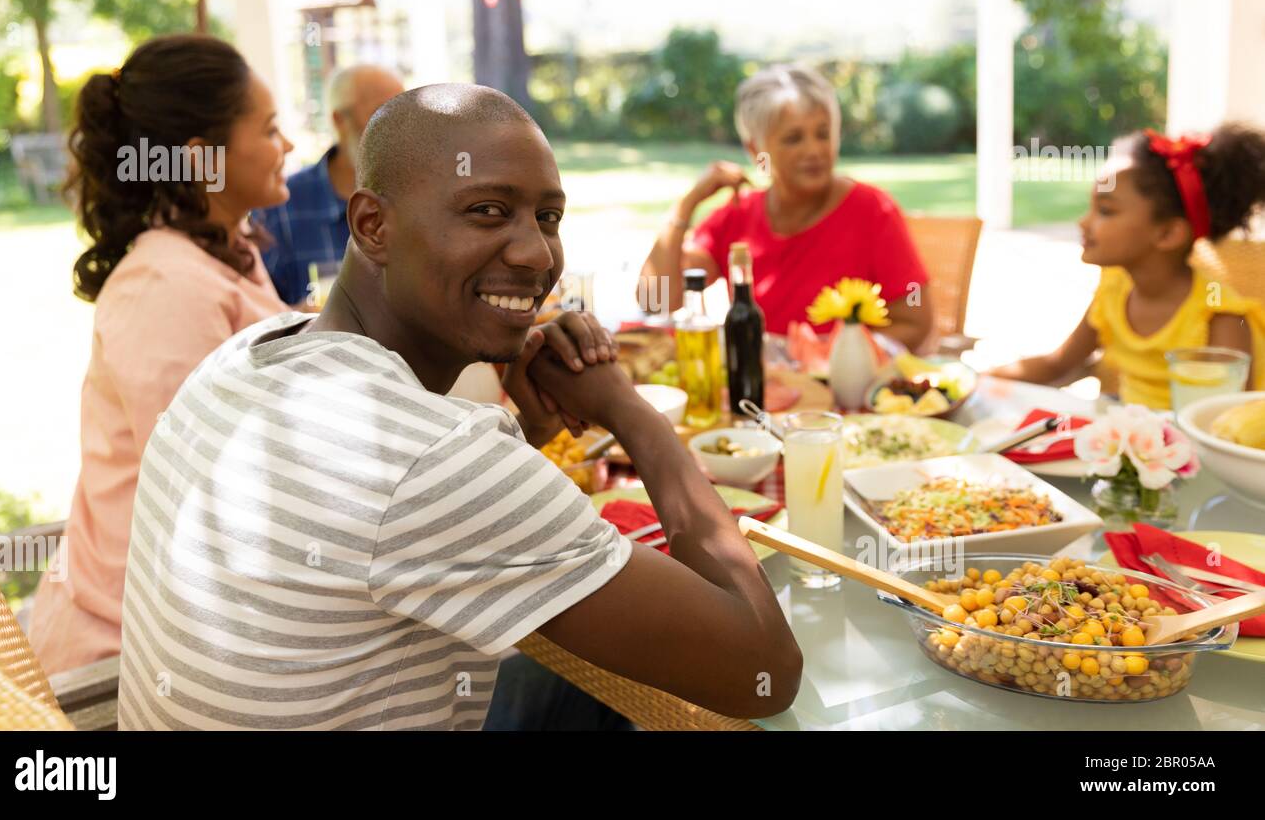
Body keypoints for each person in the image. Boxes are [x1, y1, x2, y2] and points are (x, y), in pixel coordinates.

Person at [116, 84, 802, 730]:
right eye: (487, 211)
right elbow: (765, 669)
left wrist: (524, 435)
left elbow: (396, 528)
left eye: (549, 217)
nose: (537, 254)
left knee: (580, 685)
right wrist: (630, 412)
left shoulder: (249, 353)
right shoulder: (430, 461)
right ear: (373, 225)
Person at [29, 35, 295, 675]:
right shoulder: (164, 287)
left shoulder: (224, 250)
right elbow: (207, 492)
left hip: (202, 631)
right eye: (270, 128)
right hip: (129, 663)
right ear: (205, 160)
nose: (286, 146)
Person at [638, 64, 934, 351]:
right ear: (756, 151)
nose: (814, 150)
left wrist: (841, 359)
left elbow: (915, 319)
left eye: (823, 133)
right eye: (794, 138)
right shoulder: (737, 216)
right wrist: (685, 208)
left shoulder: (873, 210)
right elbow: (657, 301)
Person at [992, 125, 1265, 407]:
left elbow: (1225, 422)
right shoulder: (1114, 288)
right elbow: (1057, 364)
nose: (1083, 222)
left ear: (1167, 234)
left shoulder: (1219, 315)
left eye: (1106, 211)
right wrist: (977, 380)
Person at [253, 64, 405, 304]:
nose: (398, 129)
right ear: (339, 121)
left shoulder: (421, 199)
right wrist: (300, 322)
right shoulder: (281, 207)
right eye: (381, 114)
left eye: (405, 114)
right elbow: (258, 324)